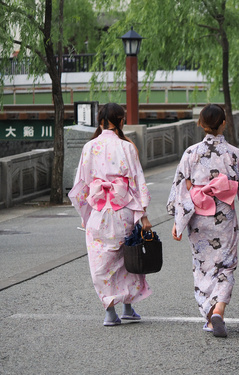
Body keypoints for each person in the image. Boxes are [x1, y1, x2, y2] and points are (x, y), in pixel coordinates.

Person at [167, 104, 239, 338]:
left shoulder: (190, 153)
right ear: (223, 123)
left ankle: (210, 316)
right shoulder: (234, 154)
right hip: (224, 218)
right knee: (226, 265)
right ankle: (219, 309)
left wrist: (178, 220)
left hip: (198, 218)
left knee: (202, 265)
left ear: (201, 124)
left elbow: (180, 188)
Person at [68, 102, 153, 327]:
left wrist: (86, 213)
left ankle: (110, 312)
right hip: (123, 210)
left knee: (101, 262)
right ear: (121, 121)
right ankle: (128, 306)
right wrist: (142, 215)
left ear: (100, 121)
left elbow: (80, 185)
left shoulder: (89, 147)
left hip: (98, 213)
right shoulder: (127, 147)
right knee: (127, 257)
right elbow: (137, 182)